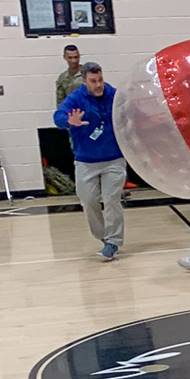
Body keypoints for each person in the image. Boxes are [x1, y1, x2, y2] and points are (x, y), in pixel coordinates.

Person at [53, 61, 125, 260]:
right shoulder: (76, 98)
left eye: (100, 79)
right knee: (89, 200)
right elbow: (57, 116)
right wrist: (69, 121)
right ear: (85, 82)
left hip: (114, 159)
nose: (98, 84)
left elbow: (130, 109)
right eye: (93, 81)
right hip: (86, 161)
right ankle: (103, 236)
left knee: (112, 200)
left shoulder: (113, 95)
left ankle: (113, 241)